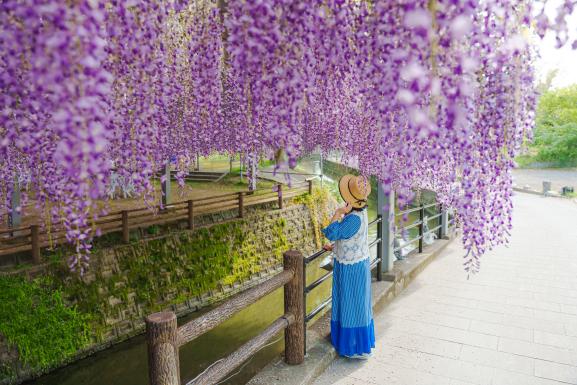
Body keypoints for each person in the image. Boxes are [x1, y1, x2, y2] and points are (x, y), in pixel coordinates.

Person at [322, 174, 375, 359]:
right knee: (354, 302)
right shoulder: (361, 212)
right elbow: (349, 237)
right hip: (356, 262)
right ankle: (353, 343)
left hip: (351, 268)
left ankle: (354, 347)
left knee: (351, 304)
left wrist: (337, 213)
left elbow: (332, 232)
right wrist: (335, 247)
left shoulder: (352, 218)